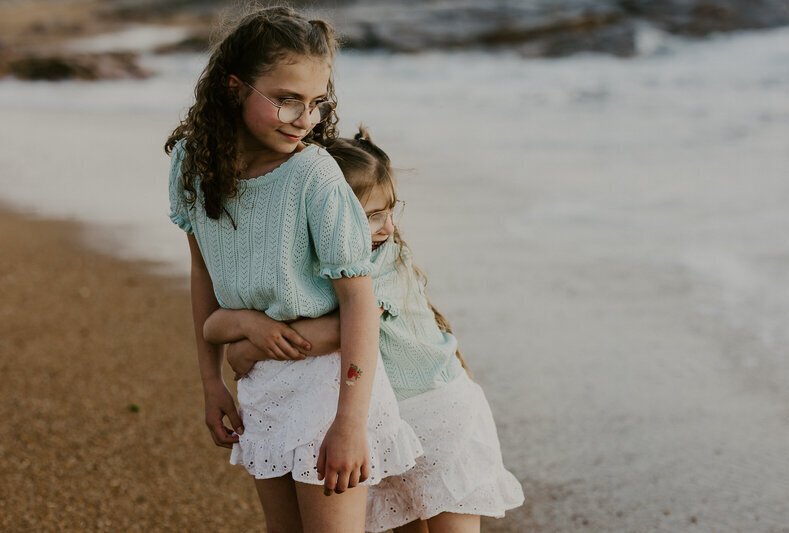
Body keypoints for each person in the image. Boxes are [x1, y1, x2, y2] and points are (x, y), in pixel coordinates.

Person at [165, 8, 421, 533]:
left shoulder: (315, 178)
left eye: (317, 103)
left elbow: (359, 301)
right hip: (259, 379)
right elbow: (202, 273)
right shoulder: (193, 163)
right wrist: (210, 381)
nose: (305, 119)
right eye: (286, 100)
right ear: (235, 88)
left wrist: (350, 425)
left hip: (330, 387)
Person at [205, 128, 525, 533]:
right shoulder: (321, 273)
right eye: (373, 216)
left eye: (391, 211)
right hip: (387, 423)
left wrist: (249, 350)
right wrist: (248, 325)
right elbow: (215, 326)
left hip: (439, 416)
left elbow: (340, 331)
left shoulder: (380, 264)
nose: (389, 227)